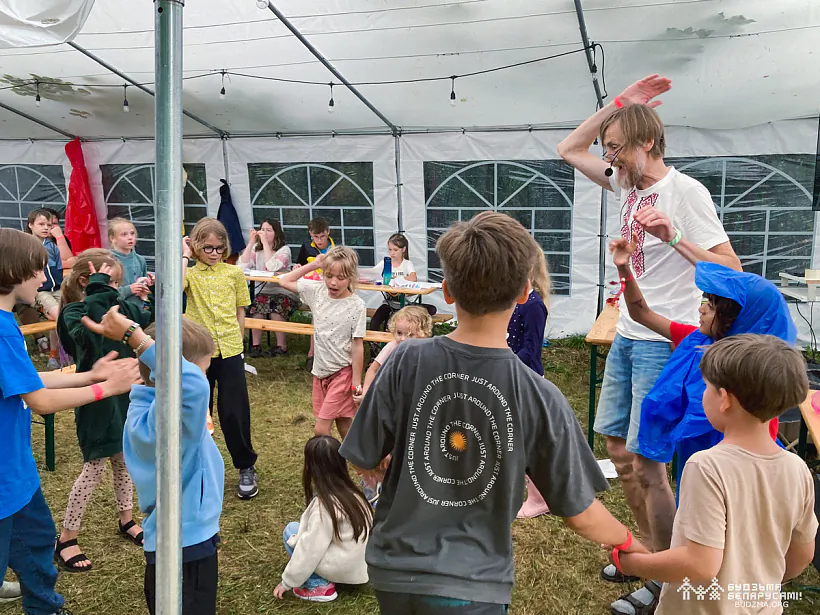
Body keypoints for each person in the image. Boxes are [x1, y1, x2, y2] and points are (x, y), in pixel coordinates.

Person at [339, 212, 649, 614]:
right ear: (524, 293)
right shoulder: (540, 395)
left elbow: (362, 455)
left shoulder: (404, 360)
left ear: (447, 291)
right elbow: (580, 511)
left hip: (393, 570)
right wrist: (630, 542)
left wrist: (387, 467)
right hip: (475, 585)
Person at [557, 74, 741, 607]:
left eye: (616, 148)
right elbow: (569, 148)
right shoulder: (624, 184)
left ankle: (668, 578)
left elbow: (731, 269)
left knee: (648, 463)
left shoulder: (686, 193)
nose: (608, 159)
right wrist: (619, 103)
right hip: (627, 332)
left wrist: (674, 237)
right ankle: (649, 555)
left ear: (648, 142)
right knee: (618, 451)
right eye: (607, 149)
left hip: (666, 339)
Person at [605, 238, 796, 614]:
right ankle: (667, 574)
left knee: (726, 525)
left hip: (726, 475)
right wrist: (624, 268)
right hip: (696, 469)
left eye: (712, 303)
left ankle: (698, 584)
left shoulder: (754, 382)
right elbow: (641, 313)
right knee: (683, 505)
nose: (701, 306)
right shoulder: (694, 339)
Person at [611, 335, 817, 615]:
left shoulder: (706, 467)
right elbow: (802, 553)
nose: (702, 394)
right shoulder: (798, 469)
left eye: (706, 387)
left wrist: (633, 563)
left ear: (724, 399)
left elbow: (700, 564)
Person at [0, 227, 139, 615]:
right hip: (4, 479)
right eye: (38, 270)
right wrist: (106, 388)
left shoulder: (6, 322)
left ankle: (45, 607)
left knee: (38, 543)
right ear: (13, 272)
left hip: (17, 473)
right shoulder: (2, 329)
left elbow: (28, 379)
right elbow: (40, 401)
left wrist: (90, 375)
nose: (44, 278)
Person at [82, 307, 224, 615]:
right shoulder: (169, 420)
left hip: (171, 538)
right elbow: (192, 386)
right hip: (187, 543)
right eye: (203, 370)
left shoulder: (141, 409)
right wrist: (135, 337)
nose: (205, 379)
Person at [54, 250, 152, 571]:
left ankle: (127, 519)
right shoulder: (74, 312)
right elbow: (89, 336)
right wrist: (100, 291)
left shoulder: (114, 306)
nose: (116, 289)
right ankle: (67, 537)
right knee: (94, 468)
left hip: (124, 396)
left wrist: (150, 296)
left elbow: (143, 320)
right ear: (88, 281)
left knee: (124, 461)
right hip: (97, 401)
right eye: (112, 283)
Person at [183, 218, 258, 499]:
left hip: (229, 349)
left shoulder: (234, 273)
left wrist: (239, 342)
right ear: (196, 246)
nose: (214, 253)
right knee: (197, 411)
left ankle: (246, 465)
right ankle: (197, 468)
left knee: (234, 412)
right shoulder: (190, 274)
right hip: (198, 353)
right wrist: (184, 256)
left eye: (219, 248)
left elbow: (241, 311)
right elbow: (174, 287)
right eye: (208, 248)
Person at [278, 247, 366, 440]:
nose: (333, 282)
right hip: (320, 373)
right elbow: (284, 281)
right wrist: (315, 264)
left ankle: (330, 460)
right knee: (344, 423)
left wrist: (356, 382)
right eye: (329, 275)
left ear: (351, 277)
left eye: (341, 277)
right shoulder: (317, 291)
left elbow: (357, 345)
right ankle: (365, 459)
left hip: (342, 374)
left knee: (321, 429)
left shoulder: (357, 305)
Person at [273, 435, 372, 603]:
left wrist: (287, 582)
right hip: (361, 565)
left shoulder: (325, 507)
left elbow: (310, 549)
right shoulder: (355, 495)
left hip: (342, 567)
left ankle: (318, 585)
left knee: (291, 531)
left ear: (311, 468)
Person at [354, 305, 433, 505]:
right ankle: (374, 485)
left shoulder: (428, 352)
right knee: (383, 448)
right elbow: (372, 370)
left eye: (410, 335)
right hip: (389, 407)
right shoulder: (392, 347)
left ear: (424, 333)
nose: (403, 339)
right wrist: (367, 394)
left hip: (412, 411)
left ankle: (402, 489)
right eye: (399, 333)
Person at [509, 250, 551, 520]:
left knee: (528, 441)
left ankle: (539, 498)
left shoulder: (534, 305)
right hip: (511, 375)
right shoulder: (513, 300)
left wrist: (505, 361)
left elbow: (531, 350)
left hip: (527, 379)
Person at [238, 219, 298, 358]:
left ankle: (281, 346)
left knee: (276, 310)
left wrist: (265, 243)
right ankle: (256, 345)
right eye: (262, 230)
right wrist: (251, 243)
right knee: (256, 308)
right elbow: (242, 266)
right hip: (264, 291)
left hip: (283, 291)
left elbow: (272, 267)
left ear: (276, 233)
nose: (264, 233)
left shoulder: (284, 250)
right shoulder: (256, 249)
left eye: (268, 230)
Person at [26, 208, 67, 369]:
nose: (46, 228)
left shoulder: (52, 246)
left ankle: (56, 353)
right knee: (58, 314)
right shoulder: (26, 246)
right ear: (31, 225)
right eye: (41, 224)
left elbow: (59, 267)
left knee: (67, 313)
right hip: (41, 291)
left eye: (49, 225)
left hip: (57, 289)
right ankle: (58, 353)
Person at [296, 217, 335, 372]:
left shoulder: (336, 249)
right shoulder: (306, 247)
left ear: (328, 232)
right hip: (312, 289)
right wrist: (297, 267)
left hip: (330, 289)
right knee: (318, 313)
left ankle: (314, 354)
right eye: (315, 237)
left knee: (319, 314)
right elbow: (299, 265)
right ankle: (314, 354)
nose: (319, 240)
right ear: (310, 234)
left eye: (322, 236)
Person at [107, 218, 153, 311]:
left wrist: (148, 286)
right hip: (118, 312)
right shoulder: (108, 260)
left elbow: (146, 295)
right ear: (112, 238)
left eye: (132, 233)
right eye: (124, 234)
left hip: (139, 310)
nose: (130, 237)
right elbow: (105, 294)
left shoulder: (140, 260)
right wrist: (129, 289)